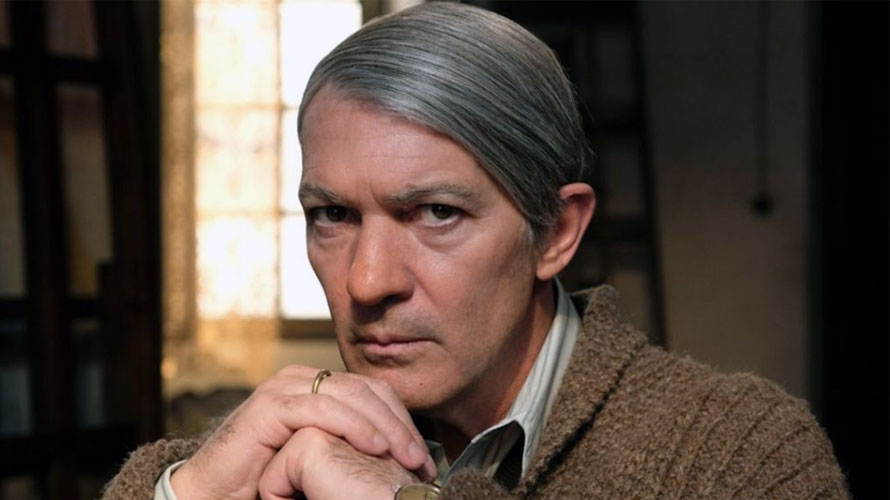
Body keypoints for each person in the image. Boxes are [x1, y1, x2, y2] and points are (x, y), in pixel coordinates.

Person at [103, 3, 848, 499]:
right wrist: (188, 492)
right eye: (333, 214)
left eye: (436, 213)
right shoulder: (273, 458)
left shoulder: (738, 457)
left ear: (555, 233)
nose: (367, 281)